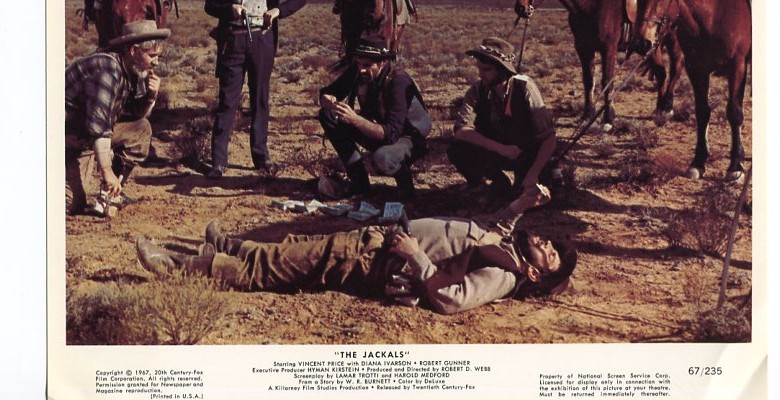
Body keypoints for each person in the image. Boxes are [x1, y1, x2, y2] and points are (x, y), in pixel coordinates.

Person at [135, 185, 576, 315]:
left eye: (551, 254)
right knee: (298, 247)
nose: (544, 243)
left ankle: (181, 267)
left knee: (285, 266)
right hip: (376, 242)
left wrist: (415, 254)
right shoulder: (506, 248)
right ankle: (230, 246)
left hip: (374, 259)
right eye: (550, 242)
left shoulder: (503, 275)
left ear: (536, 275)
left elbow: (452, 299)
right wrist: (524, 204)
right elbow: (496, 227)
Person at [205, 0, 307, 178]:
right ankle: (218, 161)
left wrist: (278, 10)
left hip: (262, 40)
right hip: (233, 40)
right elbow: (210, 5)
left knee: (260, 98)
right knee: (228, 100)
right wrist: (229, 9)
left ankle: (260, 156)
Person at [65, 19, 170, 216]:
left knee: (141, 128)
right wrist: (107, 171)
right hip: (66, 137)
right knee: (69, 204)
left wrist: (151, 95)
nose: (156, 62)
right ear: (133, 51)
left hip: (85, 134)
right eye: (152, 55)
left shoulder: (135, 69)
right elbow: (99, 128)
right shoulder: (107, 69)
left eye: (158, 56)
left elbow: (136, 116)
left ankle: (110, 194)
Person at [318, 35, 431, 201]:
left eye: (367, 65)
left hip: (408, 138)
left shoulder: (398, 81)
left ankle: (407, 192)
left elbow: (391, 134)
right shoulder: (359, 71)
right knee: (328, 115)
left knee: (383, 157)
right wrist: (327, 99)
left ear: (382, 62)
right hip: (382, 130)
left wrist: (355, 120)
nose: (361, 69)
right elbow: (329, 92)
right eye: (358, 64)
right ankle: (359, 184)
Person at [448, 37, 558, 200]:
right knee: (458, 149)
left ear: (502, 69)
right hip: (499, 150)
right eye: (479, 69)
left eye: (486, 69)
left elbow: (549, 139)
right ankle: (496, 182)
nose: (480, 74)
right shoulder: (477, 91)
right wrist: (501, 149)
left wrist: (533, 174)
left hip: (527, 154)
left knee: (526, 197)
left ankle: (528, 179)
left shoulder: (525, 87)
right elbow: (462, 132)